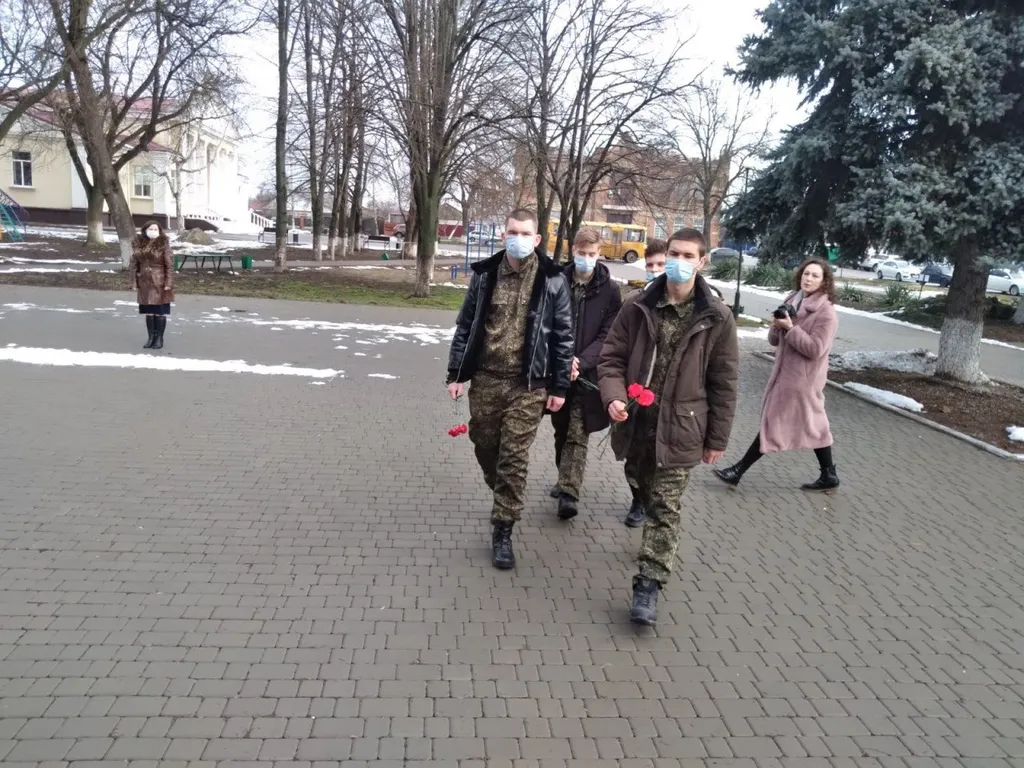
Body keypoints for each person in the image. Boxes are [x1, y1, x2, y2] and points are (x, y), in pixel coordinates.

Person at [598, 228, 739, 626]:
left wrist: (716, 439)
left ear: (701, 261)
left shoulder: (716, 317)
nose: (678, 261)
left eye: (688, 255)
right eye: (674, 253)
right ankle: (640, 506)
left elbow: (724, 383)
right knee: (640, 483)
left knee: (665, 505)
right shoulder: (637, 305)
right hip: (637, 422)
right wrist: (613, 397)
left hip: (681, 428)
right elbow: (611, 358)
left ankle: (649, 582)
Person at [446, 208, 574, 570]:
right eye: (512, 232)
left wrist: (559, 385)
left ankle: (504, 527)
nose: (518, 239)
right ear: (503, 236)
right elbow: (466, 325)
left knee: (514, 456)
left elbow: (563, 337)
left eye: (525, 233)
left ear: (537, 239)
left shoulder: (553, 279)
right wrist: (456, 373)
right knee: (485, 444)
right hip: (487, 378)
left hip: (528, 385)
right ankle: (502, 488)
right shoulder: (485, 275)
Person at [713, 258, 840, 491]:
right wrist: (776, 325)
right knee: (815, 425)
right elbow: (774, 341)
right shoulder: (792, 301)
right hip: (785, 376)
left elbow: (816, 349)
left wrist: (791, 328)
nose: (808, 279)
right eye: (806, 274)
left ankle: (738, 471)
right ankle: (829, 474)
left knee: (773, 421)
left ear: (824, 282)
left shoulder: (826, 313)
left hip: (802, 381)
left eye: (815, 276)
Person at [547, 227, 623, 520]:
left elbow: (609, 334)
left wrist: (581, 360)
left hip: (588, 374)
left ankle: (569, 492)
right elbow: (545, 324)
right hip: (557, 372)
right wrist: (562, 359)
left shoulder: (610, 290)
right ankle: (563, 476)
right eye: (582, 253)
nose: (587, 258)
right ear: (573, 250)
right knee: (561, 430)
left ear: (599, 253)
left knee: (578, 433)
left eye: (592, 254)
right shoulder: (556, 281)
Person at [622, 237, 668, 527]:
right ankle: (638, 499)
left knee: (660, 459)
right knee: (634, 457)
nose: (655, 270)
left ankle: (655, 504)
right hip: (637, 394)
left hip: (671, 399)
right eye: (650, 265)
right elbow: (618, 347)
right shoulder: (635, 302)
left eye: (661, 264)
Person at [129, 221, 174, 350]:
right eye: (151, 228)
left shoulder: (163, 243)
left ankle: (159, 338)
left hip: (159, 281)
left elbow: (169, 266)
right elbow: (134, 264)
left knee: (159, 312)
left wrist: (168, 283)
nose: (153, 231)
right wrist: (133, 282)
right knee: (149, 312)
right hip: (144, 281)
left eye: (156, 229)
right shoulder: (138, 243)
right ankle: (151, 338)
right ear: (145, 230)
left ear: (159, 231)